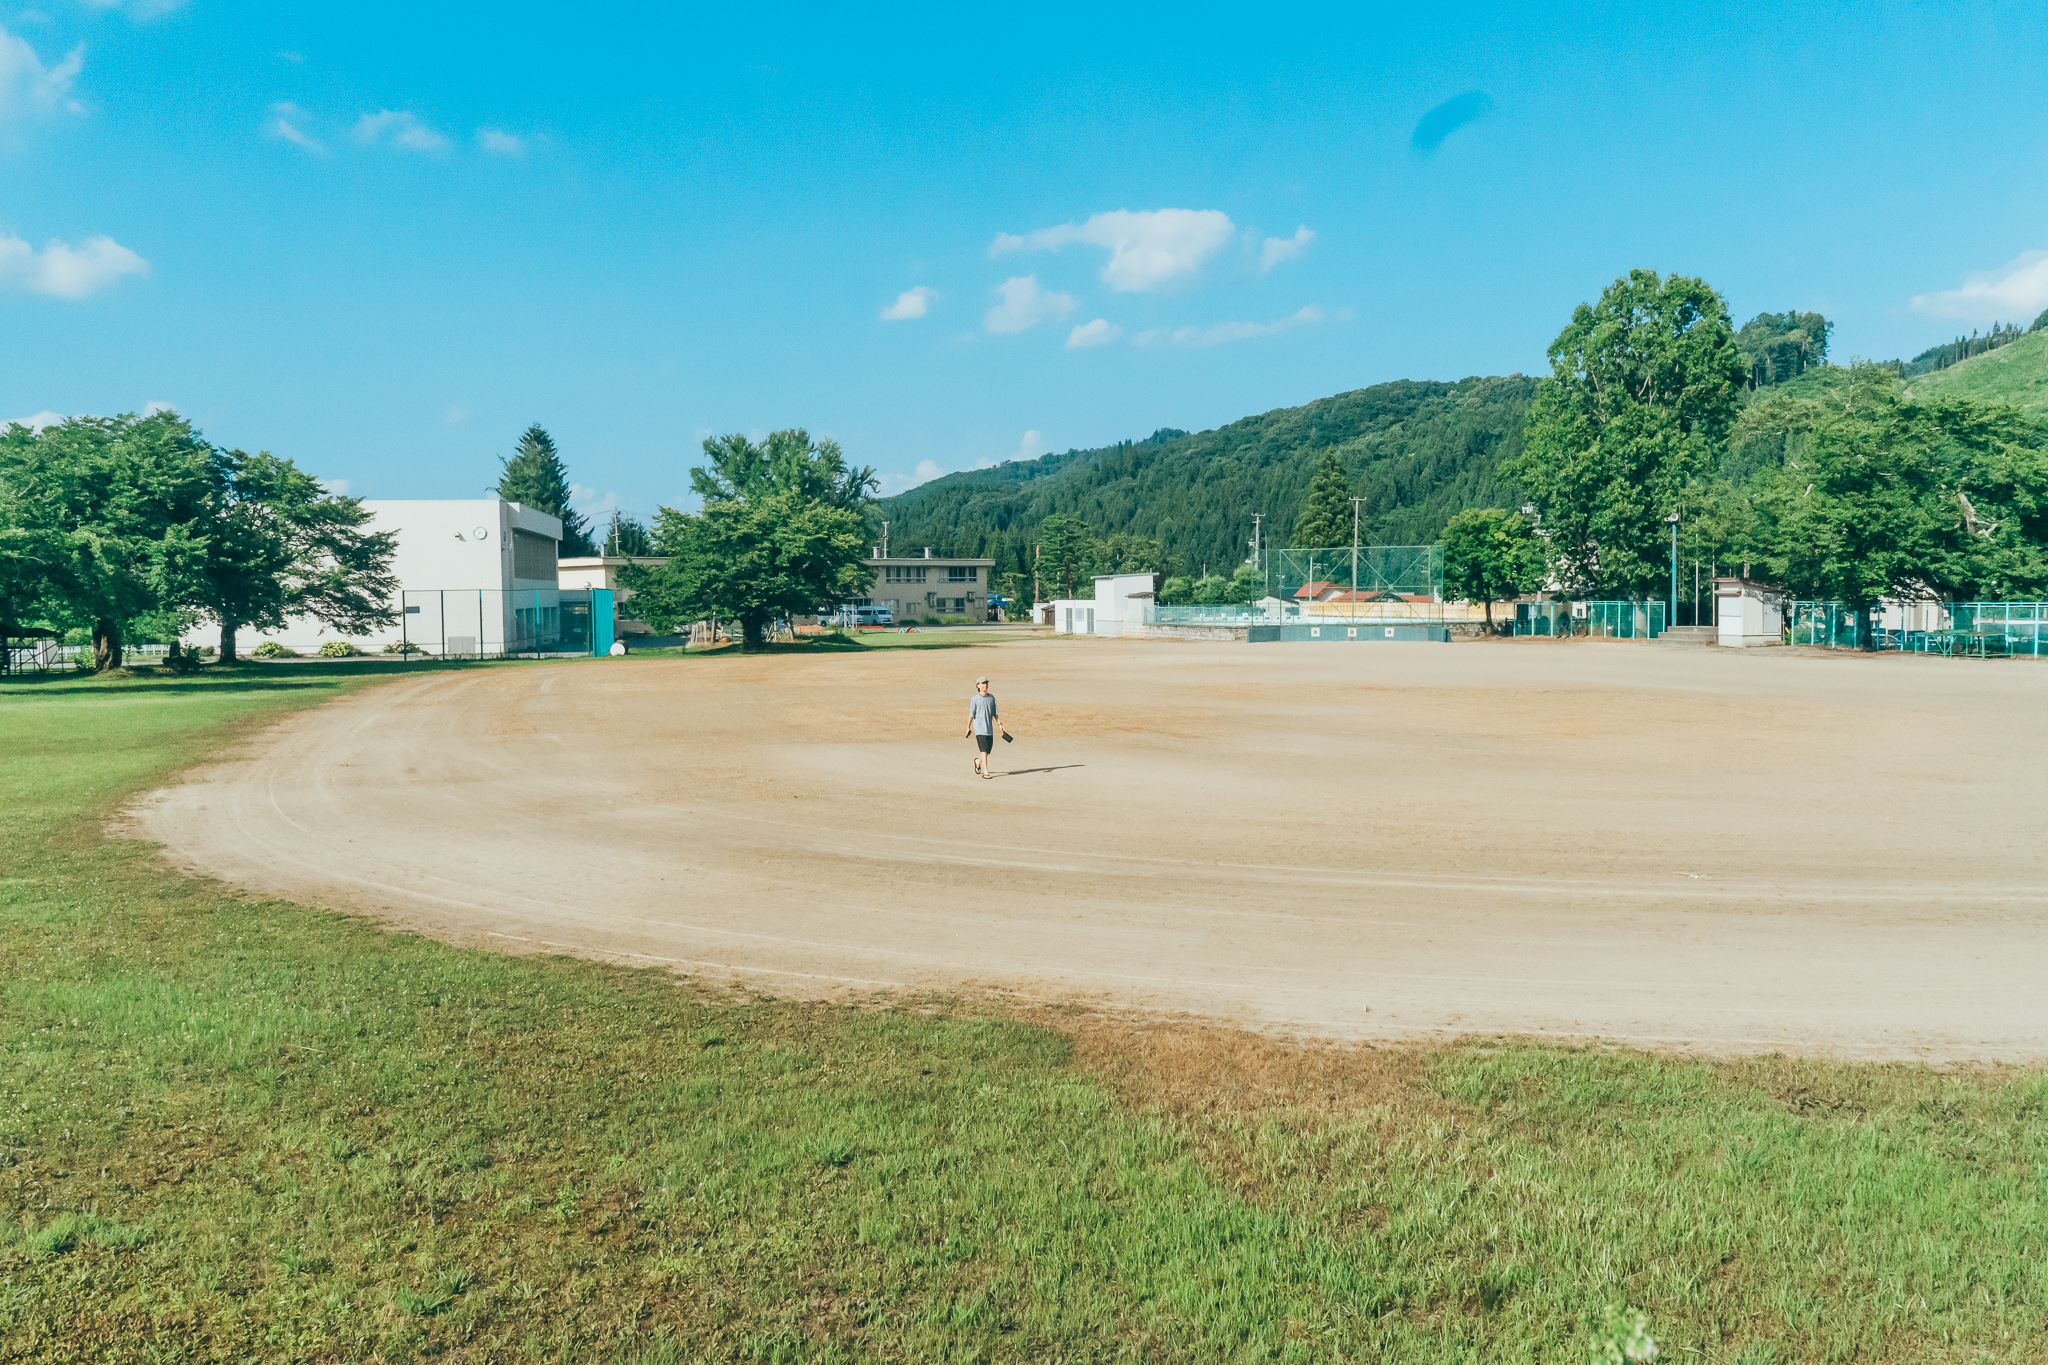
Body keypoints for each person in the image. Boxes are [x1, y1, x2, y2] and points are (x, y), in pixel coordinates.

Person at [964, 675, 1008, 779]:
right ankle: (986, 771)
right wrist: (968, 727)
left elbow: (995, 713)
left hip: (989, 728)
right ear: (978, 685)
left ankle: (977, 762)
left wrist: (1000, 724)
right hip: (979, 728)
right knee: (983, 750)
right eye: (982, 683)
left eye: (986, 683)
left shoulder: (991, 697)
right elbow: (971, 714)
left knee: (987, 750)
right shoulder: (974, 699)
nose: (985, 685)